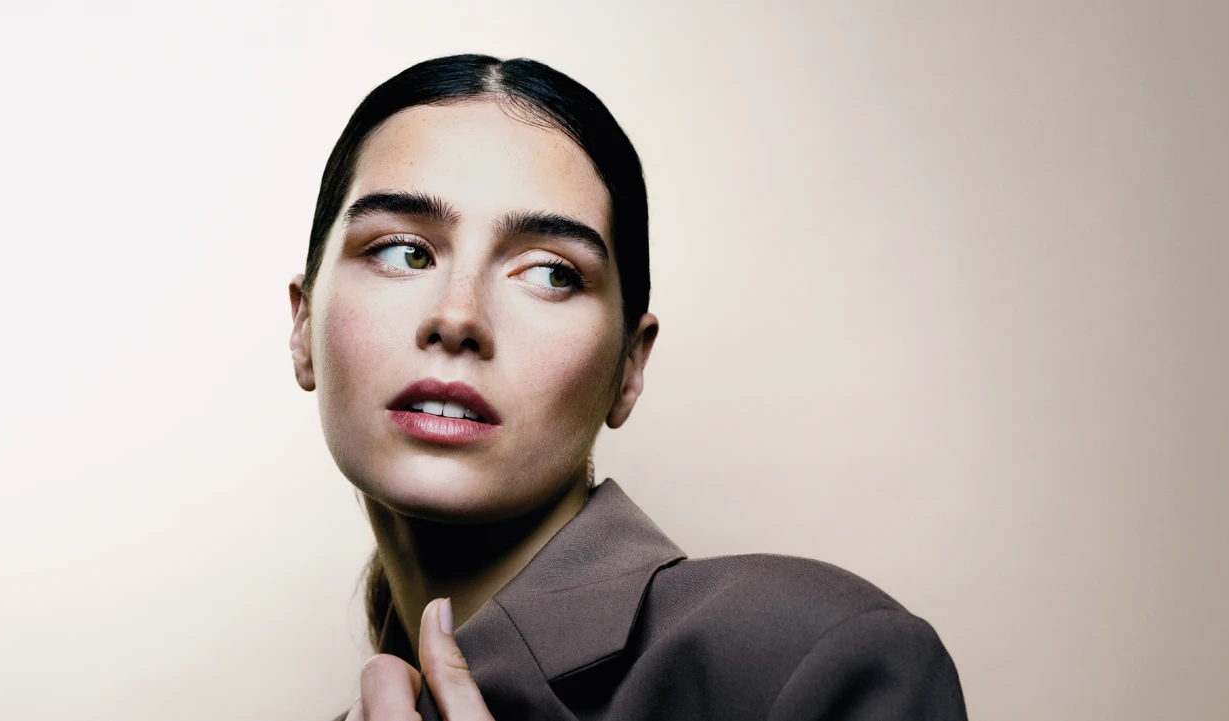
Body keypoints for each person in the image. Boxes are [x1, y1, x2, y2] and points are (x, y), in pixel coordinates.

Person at [288, 54, 967, 720]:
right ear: (303, 324)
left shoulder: (810, 655)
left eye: (551, 272)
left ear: (629, 366)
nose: (458, 316)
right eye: (403, 251)